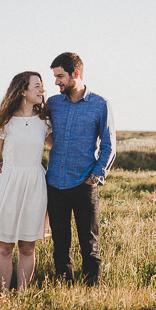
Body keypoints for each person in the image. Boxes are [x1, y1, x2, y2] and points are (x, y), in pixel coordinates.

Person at [45, 52, 116, 286]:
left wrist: (95, 177)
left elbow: (108, 145)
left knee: (90, 243)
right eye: (55, 77)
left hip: (85, 184)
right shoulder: (53, 104)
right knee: (60, 244)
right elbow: (36, 132)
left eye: (60, 76)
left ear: (76, 74)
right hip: (55, 183)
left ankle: (91, 292)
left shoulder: (100, 104)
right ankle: (65, 289)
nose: (56, 82)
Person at [0, 71, 52, 293]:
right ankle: (2, 295)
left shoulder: (44, 122)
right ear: (23, 91)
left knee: (28, 246)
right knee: (4, 247)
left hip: (35, 186)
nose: (42, 90)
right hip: (9, 185)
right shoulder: (4, 121)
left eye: (42, 86)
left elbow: (59, 149)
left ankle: (22, 295)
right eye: (37, 86)